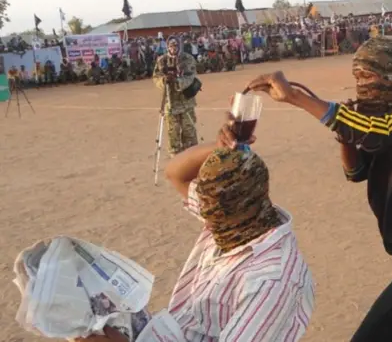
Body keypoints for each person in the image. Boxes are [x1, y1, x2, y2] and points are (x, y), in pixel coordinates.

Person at [233, 36, 392, 342]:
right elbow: (356, 171)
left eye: (369, 76)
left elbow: (382, 132)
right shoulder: (374, 118)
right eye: (357, 77)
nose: (362, 84)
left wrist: (298, 98)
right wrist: (344, 135)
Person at [75, 142, 315, 342]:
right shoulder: (236, 220)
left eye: (216, 216)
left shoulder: (271, 280)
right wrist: (223, 146)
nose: (208, 222)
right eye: (206, 210)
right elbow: (175, 173)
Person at [153, 37, 199, 157]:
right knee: (172, 132)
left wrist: (178, 81)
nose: (173, 48)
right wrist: (164, 80)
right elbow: (156, 78)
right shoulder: (161, 60)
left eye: (176, 46)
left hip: (186, 101)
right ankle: (176, 156)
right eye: (171, 46)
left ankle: (191, 155)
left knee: (189, 130)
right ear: (167, 46)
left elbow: (191, 76)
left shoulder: (188, 59)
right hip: (170, 102)